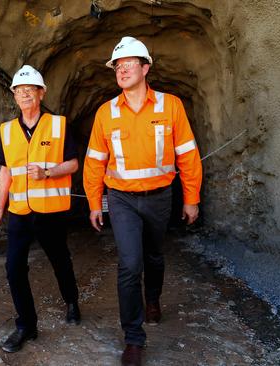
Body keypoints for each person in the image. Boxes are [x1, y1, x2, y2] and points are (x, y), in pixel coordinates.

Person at [83, 37, 202, 366]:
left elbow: (188, 157)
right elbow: (94, 162)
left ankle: (153, 299)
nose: (121, 69)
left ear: (145, 68)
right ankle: (133, 338)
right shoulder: (106, 113)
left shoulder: (171, 106)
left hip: (160, 197)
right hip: (121, 199)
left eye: (128, 64)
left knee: (153, 257)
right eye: (117, 66)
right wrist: (95, 202)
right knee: (129, 264)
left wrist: (191, 199)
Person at [0, 65, 81, 353]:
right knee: (14, 268)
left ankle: (71, 300)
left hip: (50, 211)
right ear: (14, 96)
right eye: (19, 90)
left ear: (41, 93)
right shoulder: (7, 131)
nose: (24, 94)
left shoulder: (59, 125)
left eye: (30, 90)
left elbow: (74, 164)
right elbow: (6, 173)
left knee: (59, 259)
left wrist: (48, 172)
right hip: (19, 212)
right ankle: (26, 326)